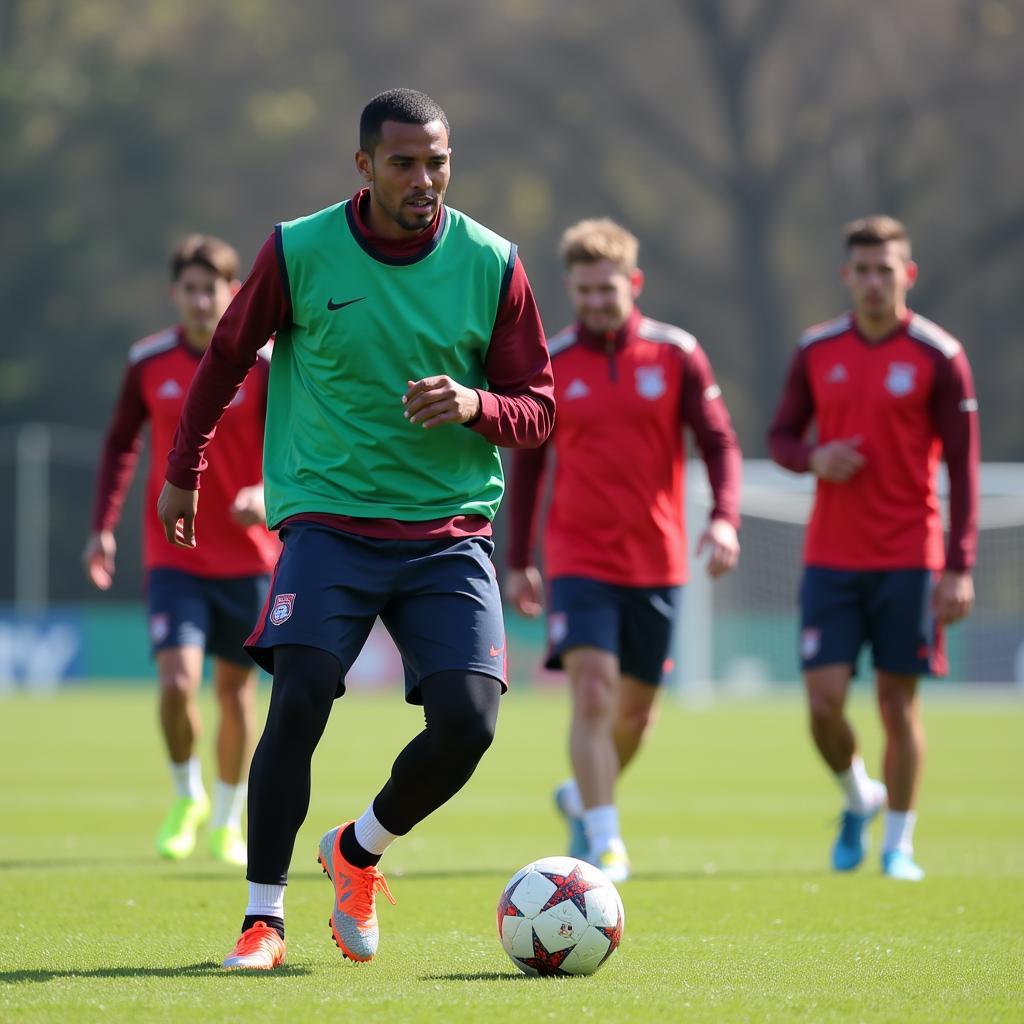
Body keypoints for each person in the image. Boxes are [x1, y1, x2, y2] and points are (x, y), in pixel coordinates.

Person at [157, 88, 554, 971]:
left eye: (438, 161)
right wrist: (184, 469)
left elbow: (538, 412)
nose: (425, 179)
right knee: (299, 693)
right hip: (330, 521)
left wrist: (472, 402)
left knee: (471, 723)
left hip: (449, 531)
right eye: (405, 162)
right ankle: (263, 921)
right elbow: (225, 357)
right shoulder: (297, 250)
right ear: (364, 165)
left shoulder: (494, 262)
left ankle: (358, 850)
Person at [505, 218, 742, 883]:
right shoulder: (551, 363)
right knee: (593, 689)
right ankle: (606, 840)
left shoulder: (677, 354)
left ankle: (581, 797)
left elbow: (720, 442)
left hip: (657, 560)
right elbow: (528, 466)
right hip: (579, 558)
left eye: (606, 290)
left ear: (632, 283)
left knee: (637, 712)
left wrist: (724, 519)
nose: (596, 302)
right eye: (583, 291)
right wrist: (519, 557)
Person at [767, 215, 979, 881]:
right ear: (846, 277)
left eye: (885, 269)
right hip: (831, 556)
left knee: (897, 703)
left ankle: (900, 845)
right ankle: (860, 796)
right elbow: (780, 437)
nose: (873, 282)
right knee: (823, 703)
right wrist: (813, 456)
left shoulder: (939, 356)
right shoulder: (816, 350)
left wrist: (959, 565)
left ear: (906, 275)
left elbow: (965, 472)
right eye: (862, 270)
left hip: (910, 557)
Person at [86, 235, 278, 867]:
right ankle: (186, 795)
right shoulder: (148, 362)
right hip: (174, 556)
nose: (202, 300)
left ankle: (227, 818)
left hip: (250, 557)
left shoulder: (266, 364)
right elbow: (120, 445)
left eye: (213, 289)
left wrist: (264, 489)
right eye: (191, 289)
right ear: (176, 295)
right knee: (176, 683)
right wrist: (103, 526)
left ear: (231, 294)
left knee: (234, 694)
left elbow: (295, 445)